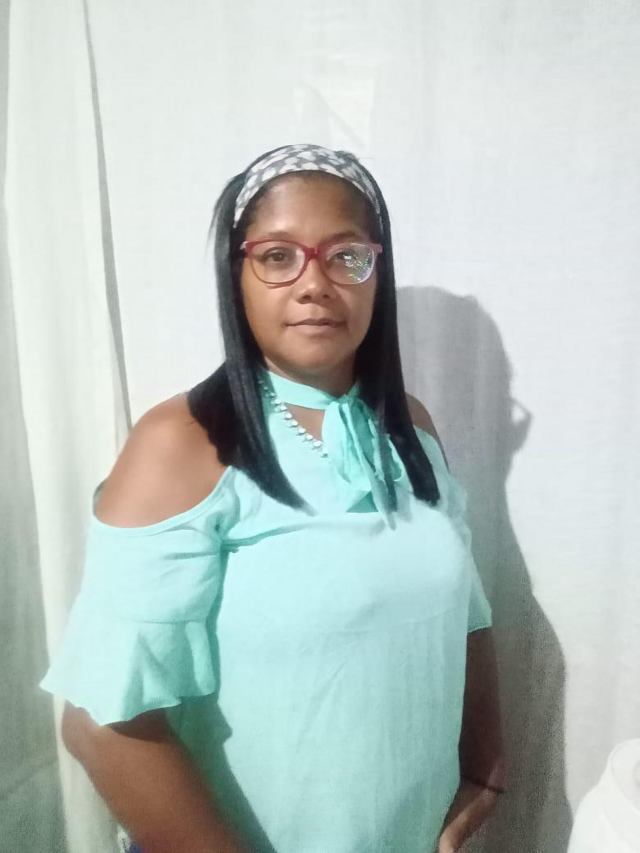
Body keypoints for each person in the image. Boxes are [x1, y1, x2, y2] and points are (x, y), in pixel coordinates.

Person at [41, 143, 506, 853]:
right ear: (236, 276)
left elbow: (464, 612)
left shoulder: (411, 427)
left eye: (346, 256)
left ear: (377, 273)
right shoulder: (183, 443)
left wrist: (484, 772)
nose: (314, 283)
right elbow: (102, 722)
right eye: (278, 256)